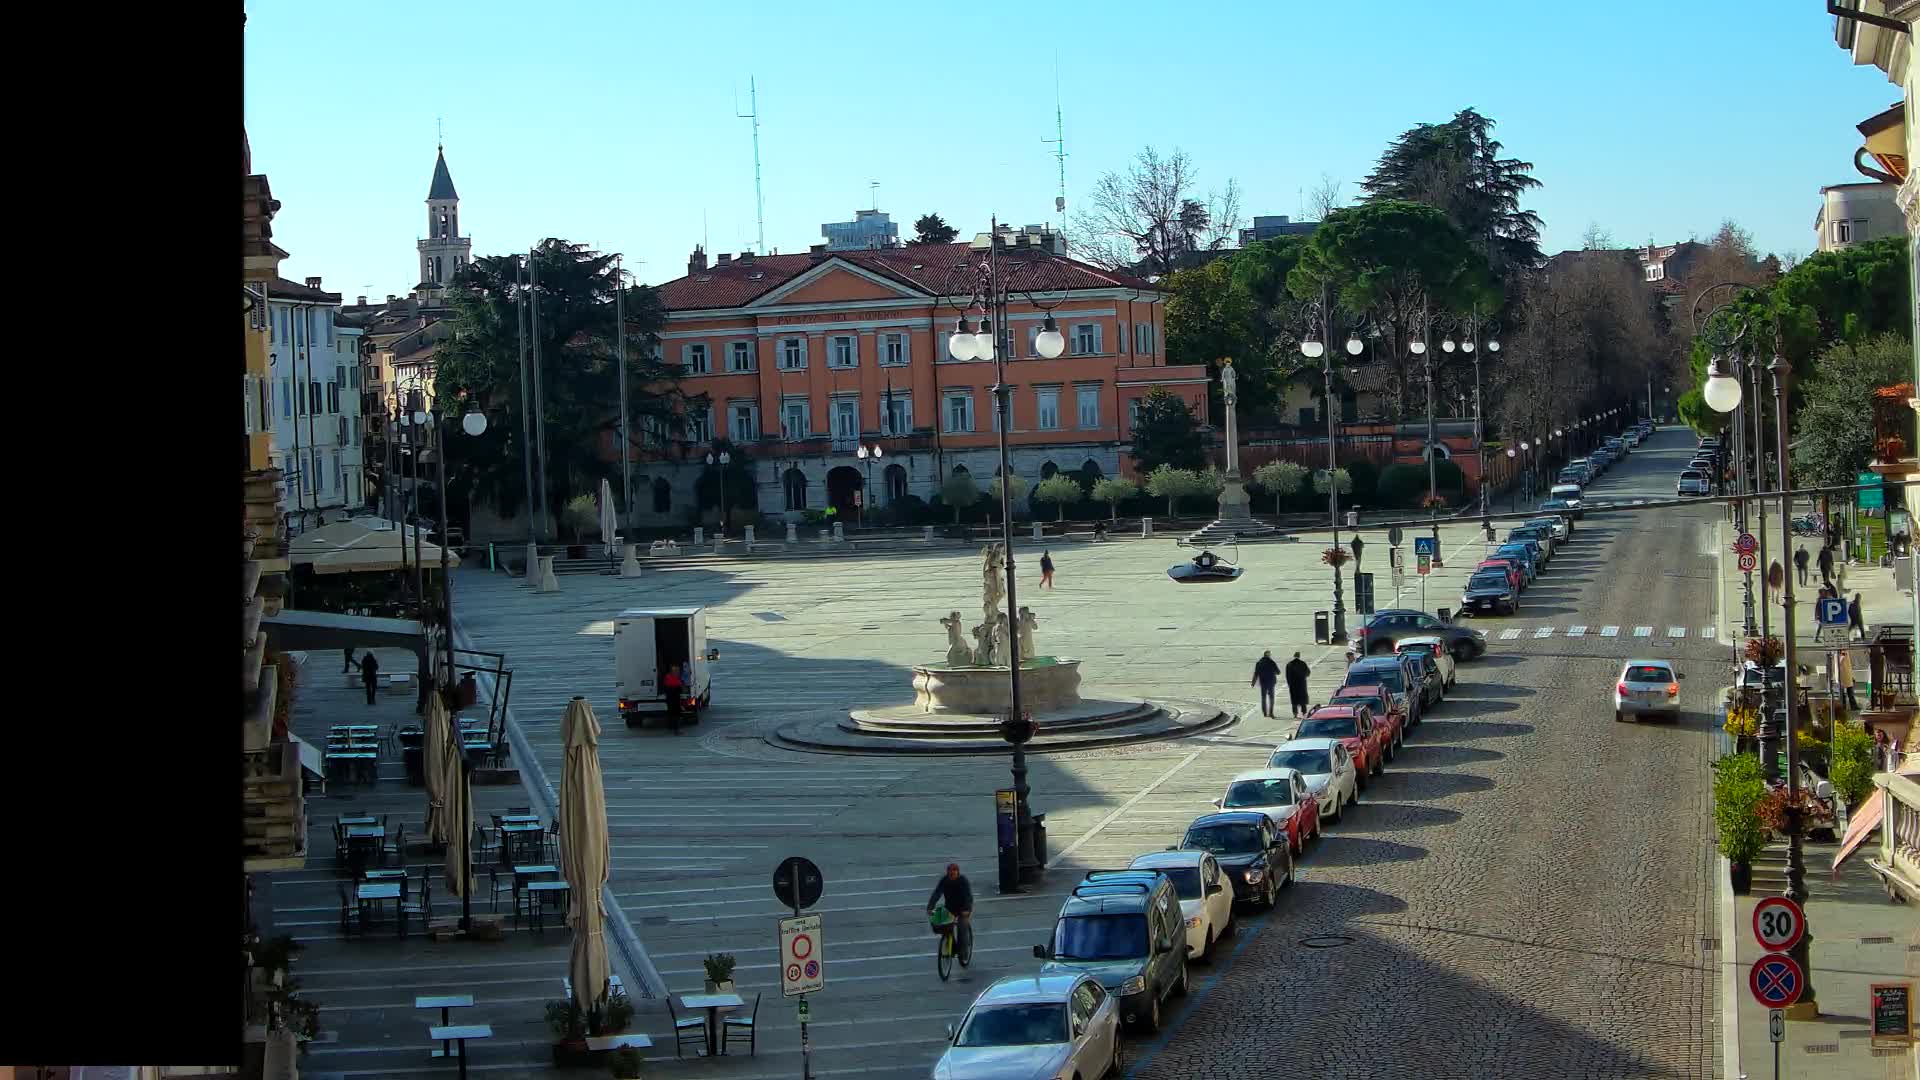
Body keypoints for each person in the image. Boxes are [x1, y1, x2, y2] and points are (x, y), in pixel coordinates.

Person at [927, 863, 973, 964]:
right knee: (938, 922)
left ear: (957, 872)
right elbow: (937, 893)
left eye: (954, 872)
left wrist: (967, 909)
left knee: (962, 929)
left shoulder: (963, 881)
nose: (951, 874)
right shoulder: (944, 880)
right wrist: (930, 907)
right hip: (950, 908)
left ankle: (963, 954)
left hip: (962, 909)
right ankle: (951, 945)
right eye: (950, 872)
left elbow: (968, 896)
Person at [1251, 650, 1281, 719]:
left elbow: (1256, 674)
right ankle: (1271, 713)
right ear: (1268, 655)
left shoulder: (1259, 663)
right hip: (1271, 682)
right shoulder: (1272, 662)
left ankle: (1264, 713)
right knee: (1271, 698)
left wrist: (1253, 683)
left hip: (1263, 682)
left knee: (1263, 697)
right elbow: (1278, 672)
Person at [1285, 651, 1312, 719]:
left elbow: (1287, 676)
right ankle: (1304, 712)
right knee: (1302, 699)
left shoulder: (1289, 664)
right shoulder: (1302, 663)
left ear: (1294, 656)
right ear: (1299, 656)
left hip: (1293, 685)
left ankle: (1295, 713)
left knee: (1294, 700)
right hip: (1301, 684)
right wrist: (1304, 676)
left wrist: (1289, 684)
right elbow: (1308, 673)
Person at [662, 665, 685, 733]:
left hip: (669, 699)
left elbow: (665, 687)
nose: (678, 672)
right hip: (675, 699)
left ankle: (670, 726)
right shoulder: (676, 679)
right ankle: (676, 730)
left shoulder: (667, 677)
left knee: (670, 713)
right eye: (676, 671)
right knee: (676, 714)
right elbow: (680, 690)